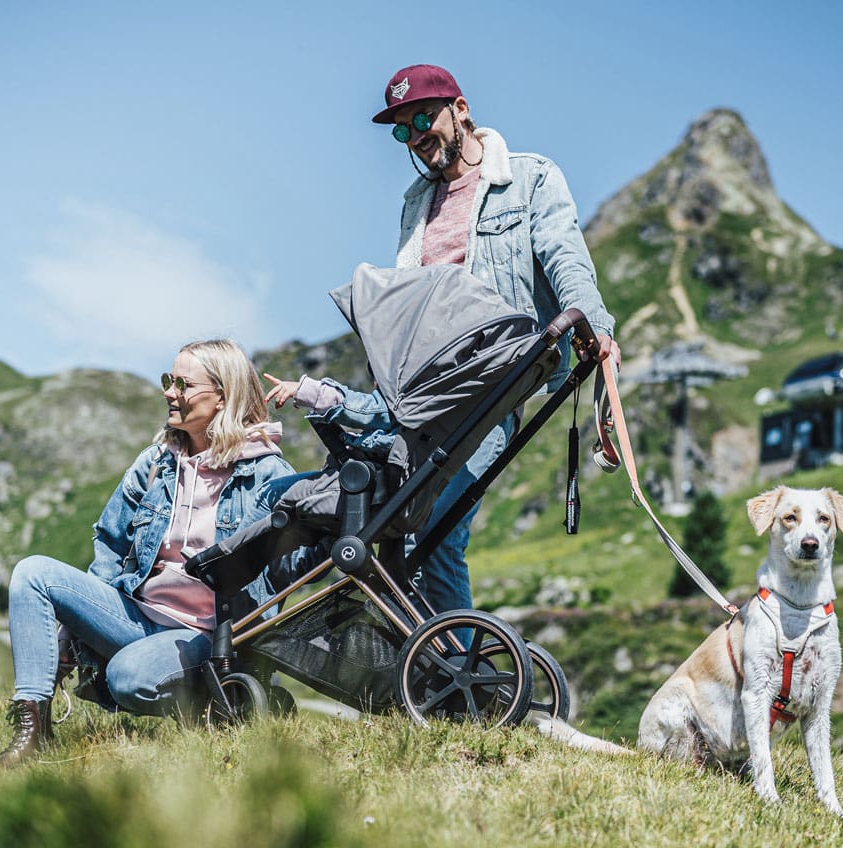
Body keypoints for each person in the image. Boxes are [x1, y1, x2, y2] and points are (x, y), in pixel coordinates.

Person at [262, 64, 618, 616]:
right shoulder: (414, 203)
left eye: (424, 118)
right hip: (428, 390)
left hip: (496, 381)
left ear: (461, 109)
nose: (416, 136)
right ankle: (422, 673)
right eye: (402, 130)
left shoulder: (529, 179)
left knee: (438, 531)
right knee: (399, 529)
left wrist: (595, 329)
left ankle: (452, 681)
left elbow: (564, 257)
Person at [0, 339, 299, 771]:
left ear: (223, 395)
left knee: (128, 679)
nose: (170, 392)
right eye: (168, 381)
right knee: (32, 572)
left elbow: (287, 569)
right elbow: (110, 544)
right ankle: (32, 732)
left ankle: (224, 699)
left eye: (183, 385)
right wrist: (75, 624)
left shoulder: (266, 474)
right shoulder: (156, 462)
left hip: (208, 635)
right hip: (137, 615)